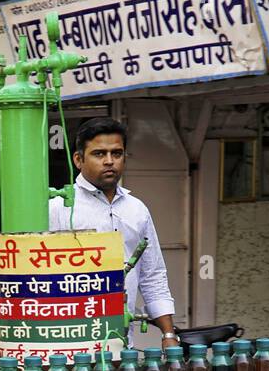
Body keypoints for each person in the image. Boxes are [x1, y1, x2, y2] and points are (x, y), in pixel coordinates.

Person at [48, 117, 180, 350]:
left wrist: (169, 335)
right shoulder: (59, 207)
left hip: (122, 340)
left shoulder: (137, 209)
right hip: (70, 340)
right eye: (99, 154)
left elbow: (153, 275)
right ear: (78, 160)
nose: (109, 161)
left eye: (116, 154)